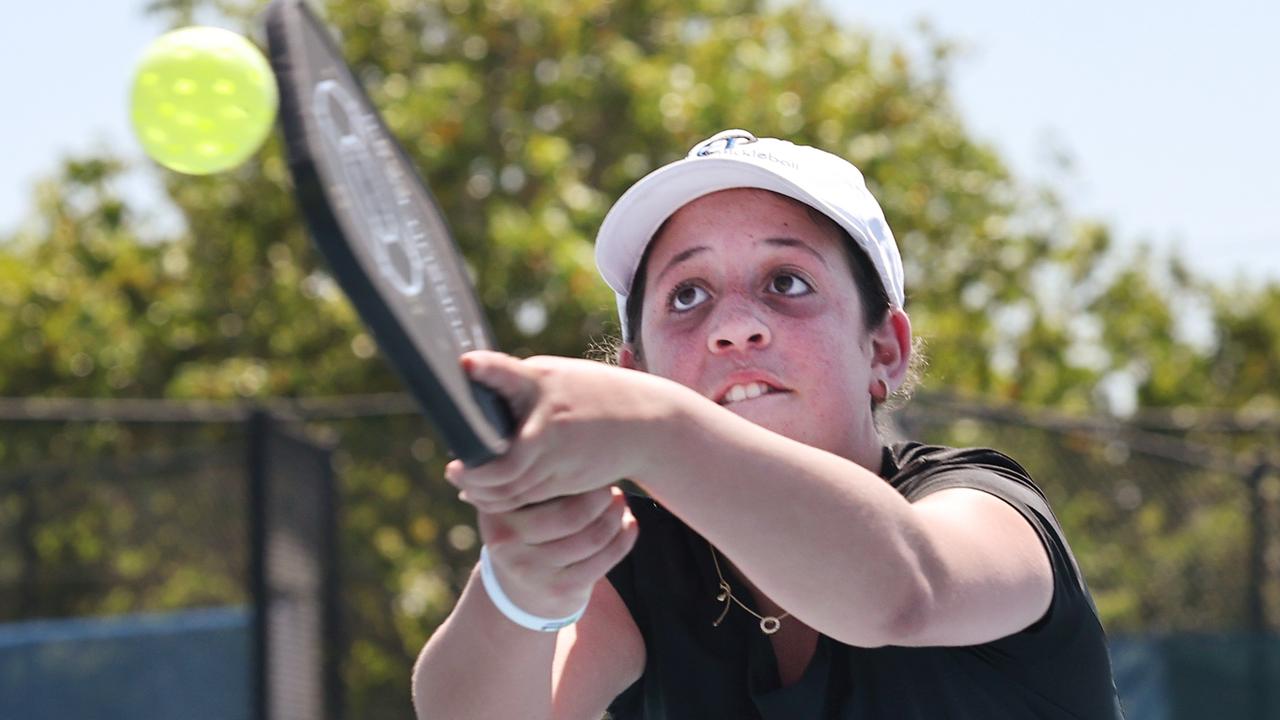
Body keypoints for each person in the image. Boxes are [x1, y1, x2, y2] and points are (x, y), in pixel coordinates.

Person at [412, 129, 1125, 719]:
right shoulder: (636, 563)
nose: (734, 327)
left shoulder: (982, 506)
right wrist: (517, 589)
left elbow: (900, 592)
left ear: (884, 349)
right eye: (687, 294)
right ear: (639, 368)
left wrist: (656, 428)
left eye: (786, 282)